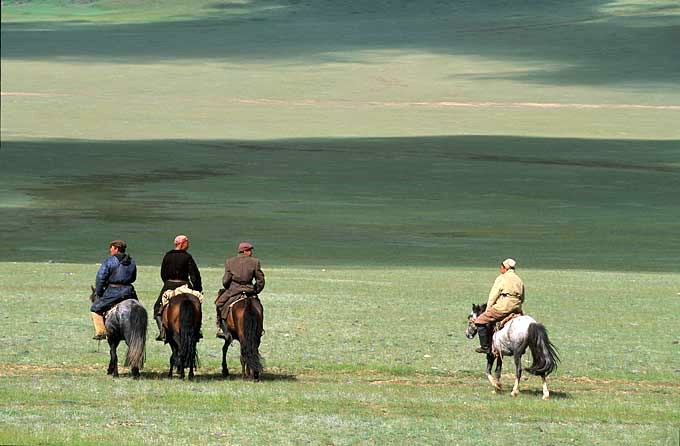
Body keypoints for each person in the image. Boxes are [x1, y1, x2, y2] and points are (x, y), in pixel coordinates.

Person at [153, 234, 203, 341]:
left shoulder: (167, 256)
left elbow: (163, 273)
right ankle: (197, 330)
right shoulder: (187, 257)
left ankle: (162, 332)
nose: (188, 245)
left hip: (169, 285)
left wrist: (167, 284)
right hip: (184, 284)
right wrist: (197, 288)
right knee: (197, 304)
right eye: (187, 242)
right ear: (181, 244)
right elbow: (194, 275)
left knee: (157, 308)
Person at [474, 258, 525, 354]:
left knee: (480, 321)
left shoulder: (501, 278)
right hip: (517, 307)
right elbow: (522, 298)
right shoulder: (519, 279)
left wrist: (488, 309)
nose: (500, 269)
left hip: (504, 307)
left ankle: (485, 347)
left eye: (501, 267)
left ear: (505, 268)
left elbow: (493, 296)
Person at [215, 241, 265, 338]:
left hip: (233, 291)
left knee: (219, 304)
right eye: (250, 250)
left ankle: (222, 329)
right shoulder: (255, 262)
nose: (251, 252)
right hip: (249, 291)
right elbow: (260, 280)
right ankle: (259, 328)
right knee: (259, 307)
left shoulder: (230, 261)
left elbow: (225, 281)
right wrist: (255, 290)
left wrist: (228, 288)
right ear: (245, 251)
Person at [90, 240, 138, 340]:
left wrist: (99, 293)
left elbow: (100, 277)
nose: (110, 251)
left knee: (95, 308)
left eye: (111, 249)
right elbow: (133, 278)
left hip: (113, 291)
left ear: (116, 249)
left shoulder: (109, 261)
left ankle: (101, 332)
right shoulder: (132, 261)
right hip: (129, 291)